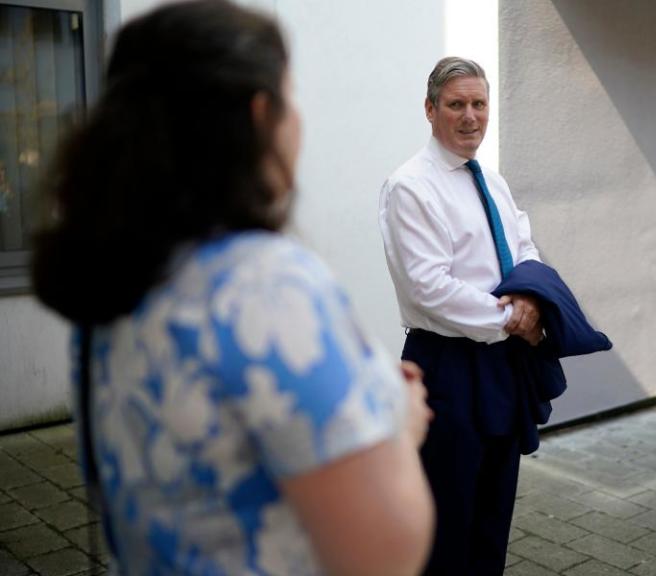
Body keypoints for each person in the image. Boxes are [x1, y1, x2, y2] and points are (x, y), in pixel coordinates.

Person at [29, 2, 433, 574]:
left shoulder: (112, 280)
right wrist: (398, 427)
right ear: (259, 114)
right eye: (293, 99)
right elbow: (386, 552)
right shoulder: (266, 287)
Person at [380, 57, 613, 575]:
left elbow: (524, 249)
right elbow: (428, 287)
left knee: (493, 514)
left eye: (479, 104)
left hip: (500, 367)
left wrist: (530, 302)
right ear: (430, 109)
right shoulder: (411, 187)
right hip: (447, 367)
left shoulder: (493, 181)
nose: (470, 116)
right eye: (456, 104)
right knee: (447, 520)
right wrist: (512, 319)